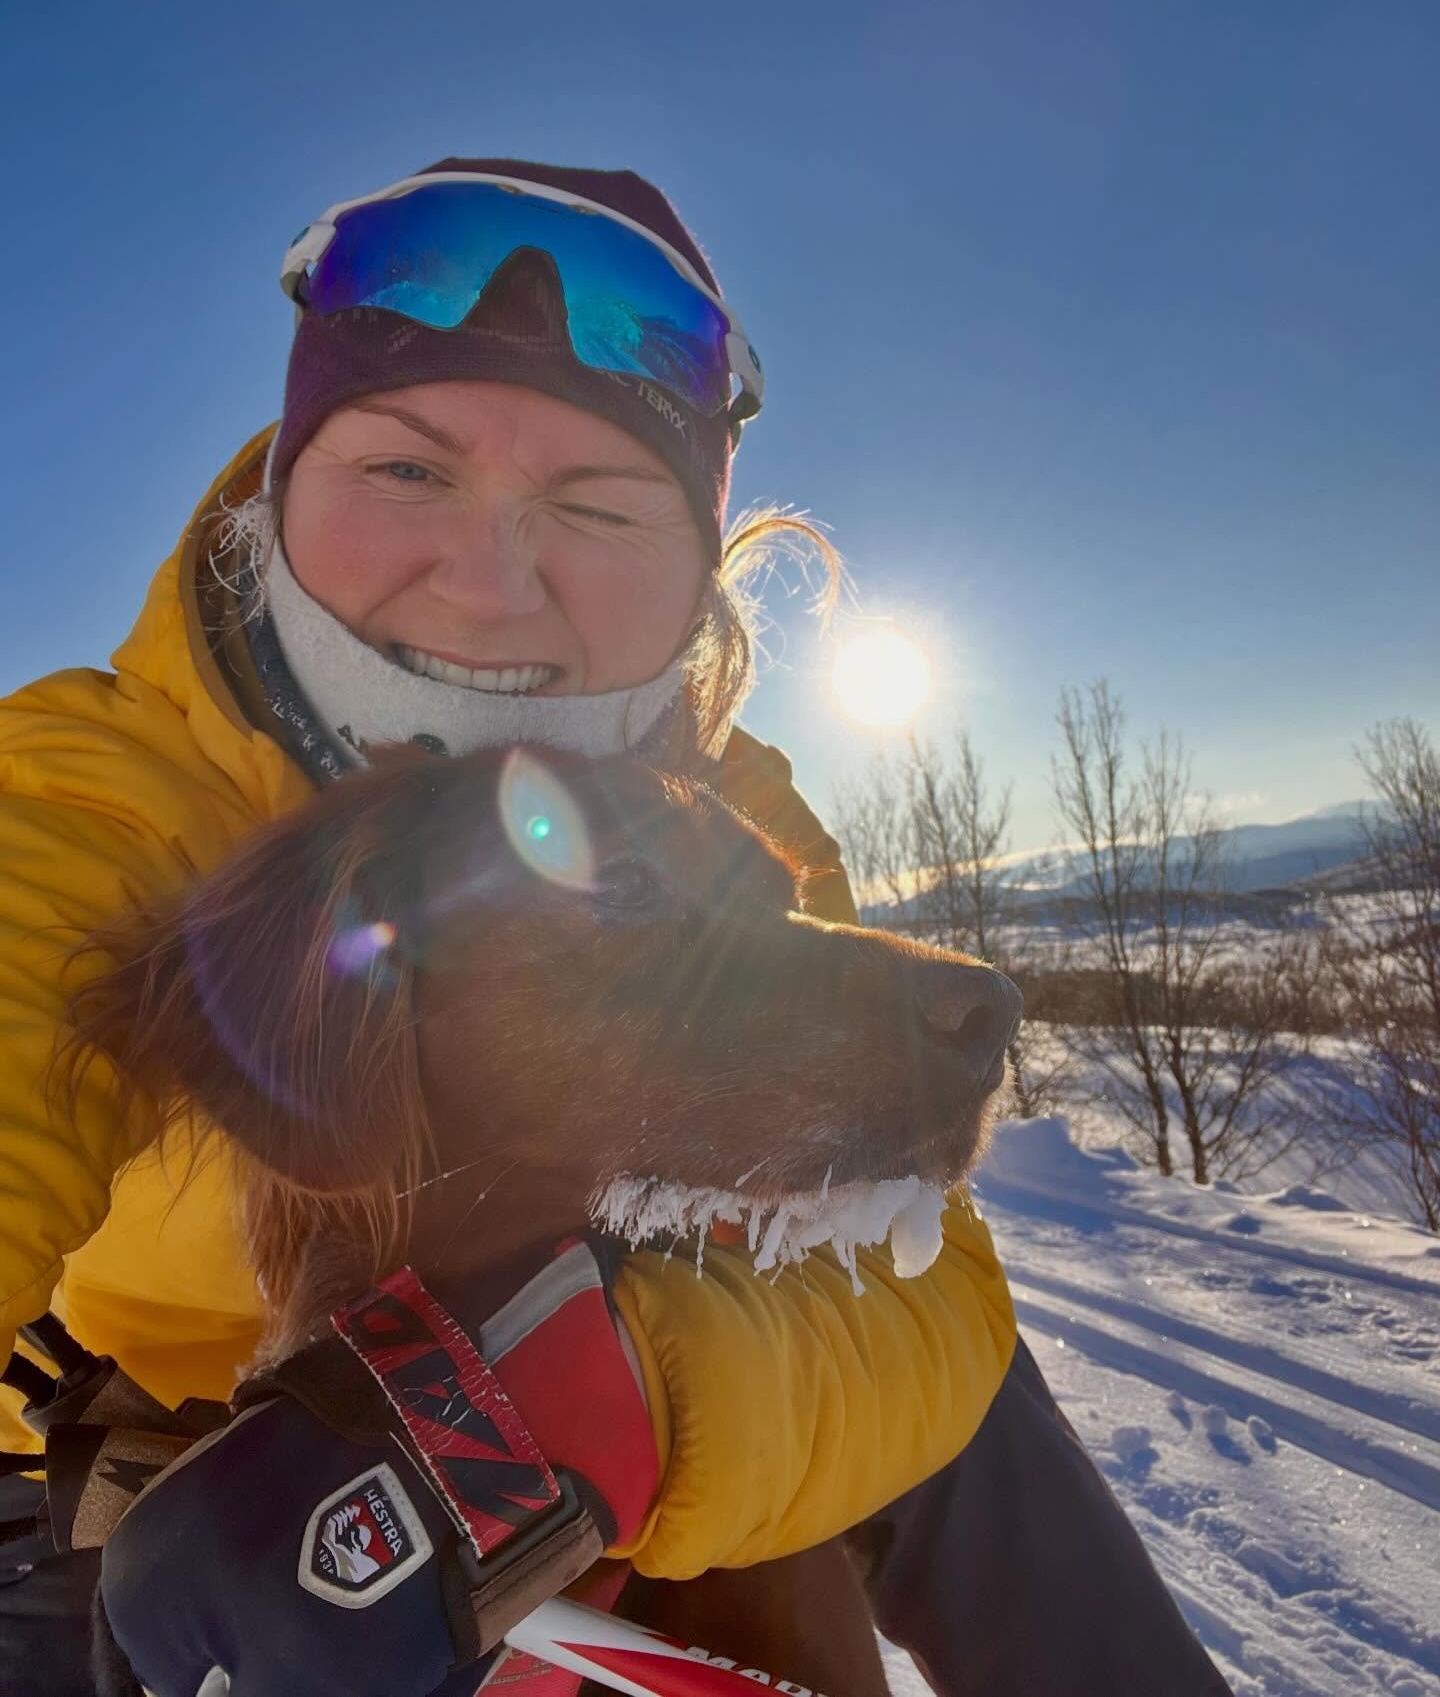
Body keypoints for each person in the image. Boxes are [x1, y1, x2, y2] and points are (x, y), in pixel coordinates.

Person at [0, 157, 1231, 1697]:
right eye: (408, 470)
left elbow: (938, 1295)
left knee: (954, 1397)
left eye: (594, 503)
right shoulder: (99, 785)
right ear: (282, 490)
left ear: (694, 581)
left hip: (623, 1336)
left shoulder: (727, 796)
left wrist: (605, 1409)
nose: (491, 578)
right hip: (142, 1468)